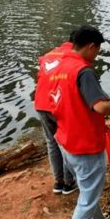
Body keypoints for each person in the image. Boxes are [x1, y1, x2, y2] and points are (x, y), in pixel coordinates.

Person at [49, 25, 110, 219]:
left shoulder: (60, 64)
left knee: (86, 185)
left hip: (64, 139)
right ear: (91, 46)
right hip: (84, 145)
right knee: (86, 200)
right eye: (97, 50)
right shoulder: (84, 71)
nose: (96, 55)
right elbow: (100, 106)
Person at [34, 32, 77, 195]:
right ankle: (68, 182)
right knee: (65, 142)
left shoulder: (51, 53)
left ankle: (58, 182)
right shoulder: (74, 56)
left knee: (51, 142)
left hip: (40, 102)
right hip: (57, 102)